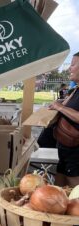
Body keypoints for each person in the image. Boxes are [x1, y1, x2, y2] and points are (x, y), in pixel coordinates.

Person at [48, 51, 79, 187]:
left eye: (73, 65)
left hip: (76, 154)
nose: (69, 68)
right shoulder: (76, 89)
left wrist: (60, 107)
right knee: (59, 192)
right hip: (65, 150)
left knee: (75, 199)